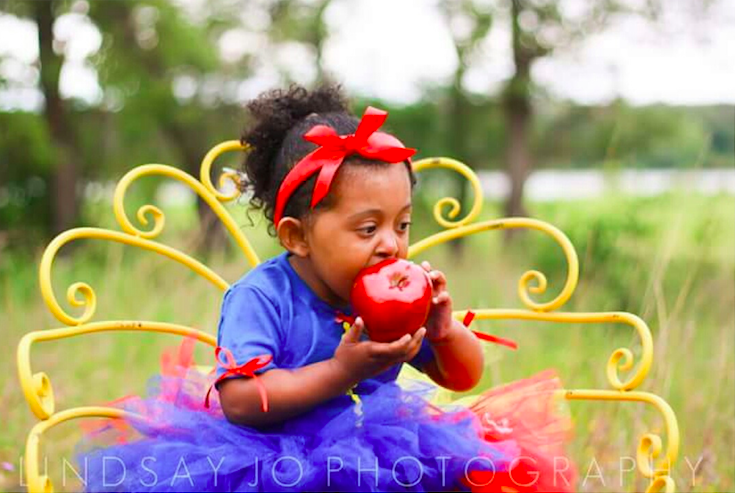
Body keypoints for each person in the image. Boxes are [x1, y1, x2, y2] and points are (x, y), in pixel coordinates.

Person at [77, 84, 576, 492]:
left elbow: (462, 378)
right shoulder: (261, 298)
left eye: (402, 225)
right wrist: (341, 371)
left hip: (382, 460)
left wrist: (443, 332)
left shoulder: (398, 297)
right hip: (271, 466)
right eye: (367, 229)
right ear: (298, 236)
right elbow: (242, 400)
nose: (391, 246)